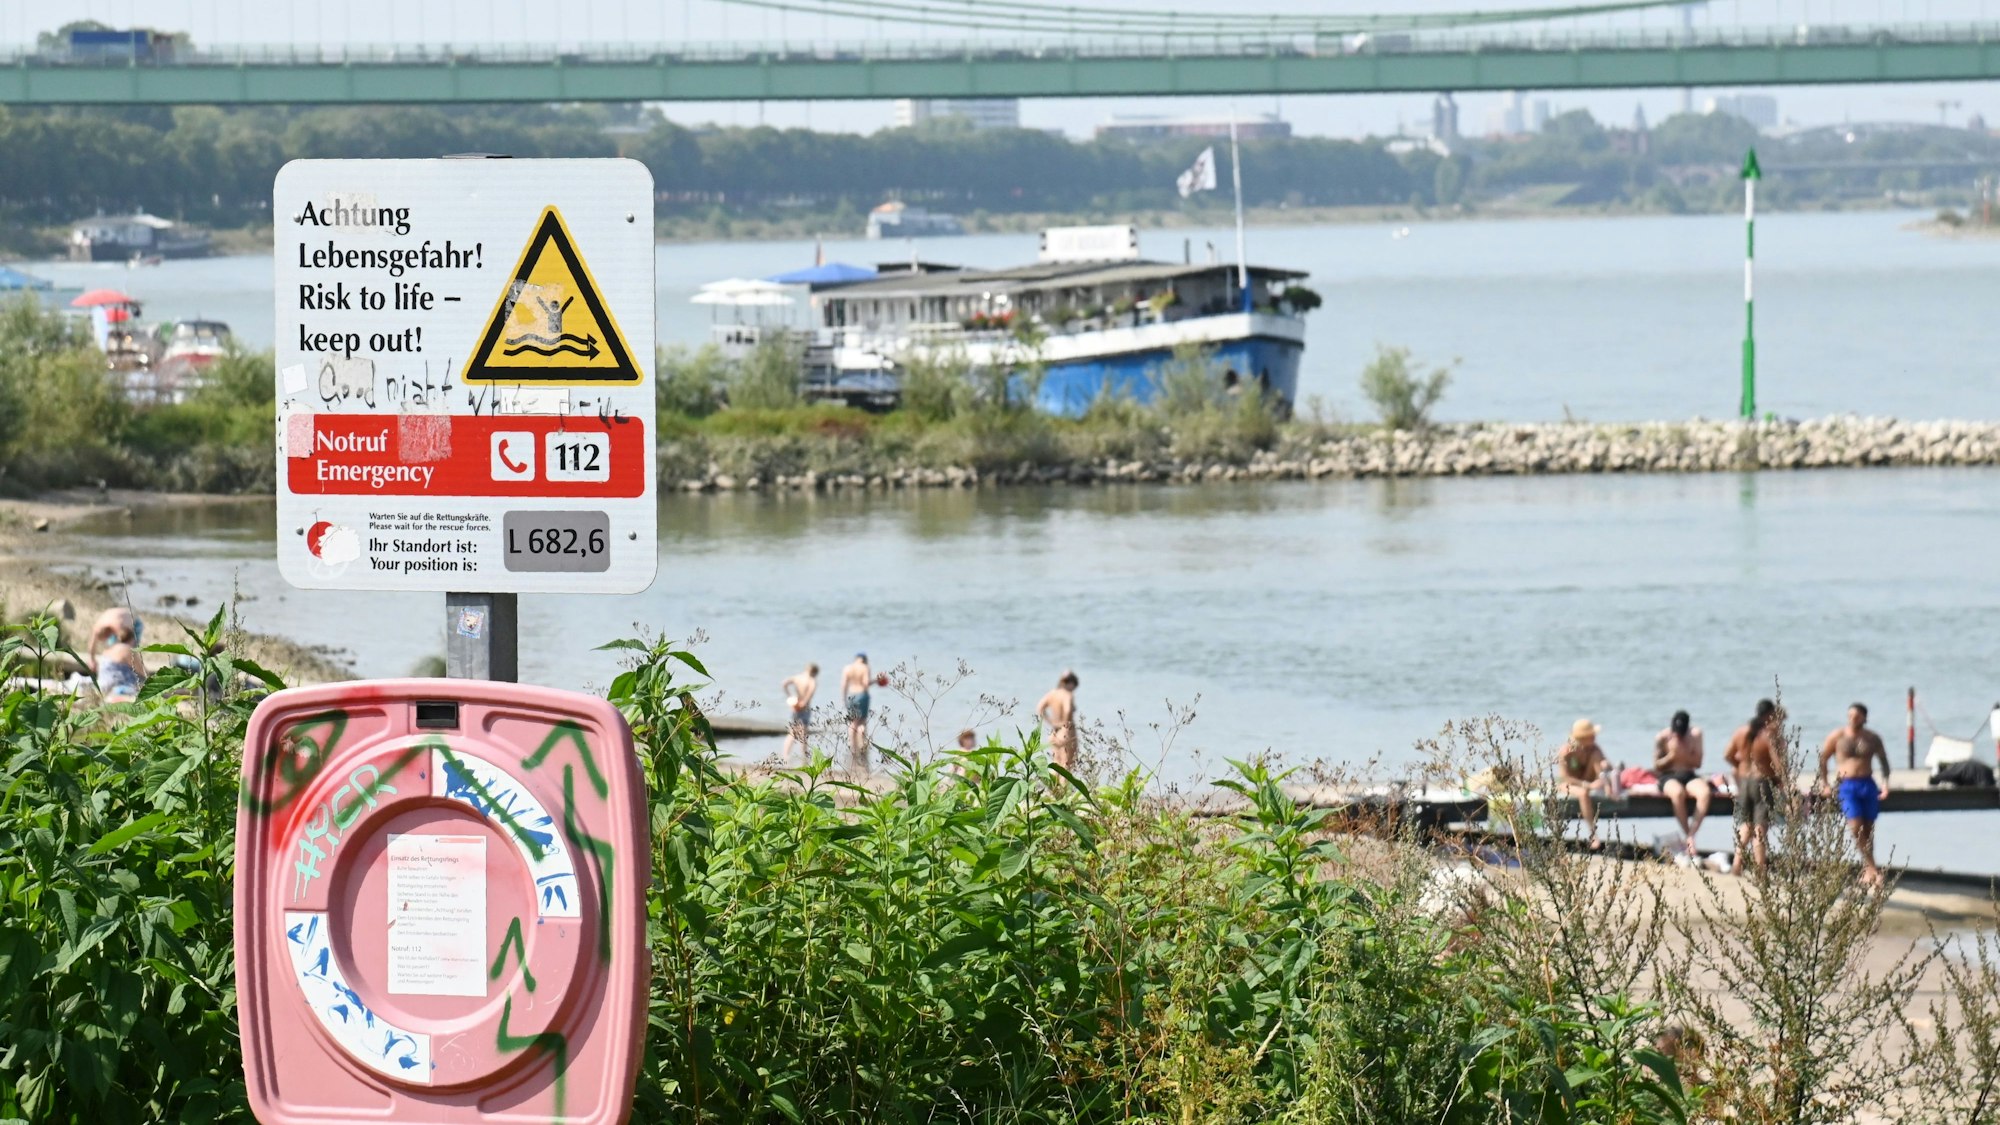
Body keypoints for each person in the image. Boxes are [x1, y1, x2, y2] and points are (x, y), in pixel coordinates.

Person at [1819, 702, 1893, 887]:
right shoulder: (1837, 736)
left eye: (1857, 716)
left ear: (1864, 718)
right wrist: (1825, 784)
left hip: (1867, 784)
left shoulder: (1872, 738)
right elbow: (1823, 758)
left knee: (1868, 829)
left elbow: (1884, 762)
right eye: (1850, 715)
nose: (1853, 719)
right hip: (1846, 785)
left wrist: (1885, 785)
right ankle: (1873, 868)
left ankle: (1868, 871)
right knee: (1855, 827)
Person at [1725, 699, 1783, 876]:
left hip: (1744, 781)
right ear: (1770, 715)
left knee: (1746, 824)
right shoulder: (1767, 735)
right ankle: (1760, 869)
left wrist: (1740, 765)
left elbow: (1728, 755)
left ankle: (1737, 864)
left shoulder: (1741, 732)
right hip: (1762, 782)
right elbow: (1777, 764)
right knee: (1760, 827)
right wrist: (1782, 781)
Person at [1654, 710, 1712, 851]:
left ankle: (1691, 835)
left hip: (1688, 774)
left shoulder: (1695, 735)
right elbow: (1657, 765)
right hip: (1669, 775)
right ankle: (1688, 835)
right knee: (1678, 793)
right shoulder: (1662, 737)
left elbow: (1698, 764)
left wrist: (1685, 755)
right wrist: (1671, 756)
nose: (1678, 736)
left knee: (1705, 793)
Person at [1557, 718, 1615, 849]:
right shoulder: (1566, 751)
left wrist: (1605, 766)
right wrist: (1587, 785)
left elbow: (1610, 767)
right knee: (1583, 794)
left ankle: (1607, 787)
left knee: (1597, 757)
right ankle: (1593, 834)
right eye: (1591, 735)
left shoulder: (1594, 749)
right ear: (1582, 737)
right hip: (1569, 783)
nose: (1594, 737)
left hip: (1587, 778)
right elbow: (1565, 777)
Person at [88, 607, 146, 703]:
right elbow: (92, 643)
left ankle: (132, 671)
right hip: (121, 624)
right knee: (116, 651)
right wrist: (91, 659)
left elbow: (125, 643)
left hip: (133, 624)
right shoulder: (97, 628)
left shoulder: (118, 625)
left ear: (108, 633)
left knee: (126, 651)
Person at [1037, 671, 1080, 771]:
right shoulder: (1068, 695)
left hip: (1055, 732)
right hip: (1066, 733)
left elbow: (1040, 708)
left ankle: (1053, 782)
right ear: (1071, 683)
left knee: (1056, 764)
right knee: (1067, 765)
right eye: (1074, 687)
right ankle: (1063, 783)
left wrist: (1052, 723)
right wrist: (1066, 723)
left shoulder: (1052, 693)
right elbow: (1067, 709)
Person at [779, 662, 818, 763]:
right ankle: (804, 758)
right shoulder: (812, 681)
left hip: (795, 706)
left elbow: (784, 683)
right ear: (814, 672)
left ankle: (785, 755)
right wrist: (804, 703)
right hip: (804, 708)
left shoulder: (797, 678)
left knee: (792, 732)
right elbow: (810, 692)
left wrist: (790, 697)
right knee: (803, 734)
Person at [841, 653, 872, 771]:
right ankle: (861, 745)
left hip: (851, 695)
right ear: (864, 660)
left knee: (853, 722)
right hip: (862, 695)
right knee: (862, 722)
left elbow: (844, 684)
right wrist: (876, 681)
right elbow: (866, 683)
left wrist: (843, 699)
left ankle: (852, 746)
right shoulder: (865, 668)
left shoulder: (847, 668)